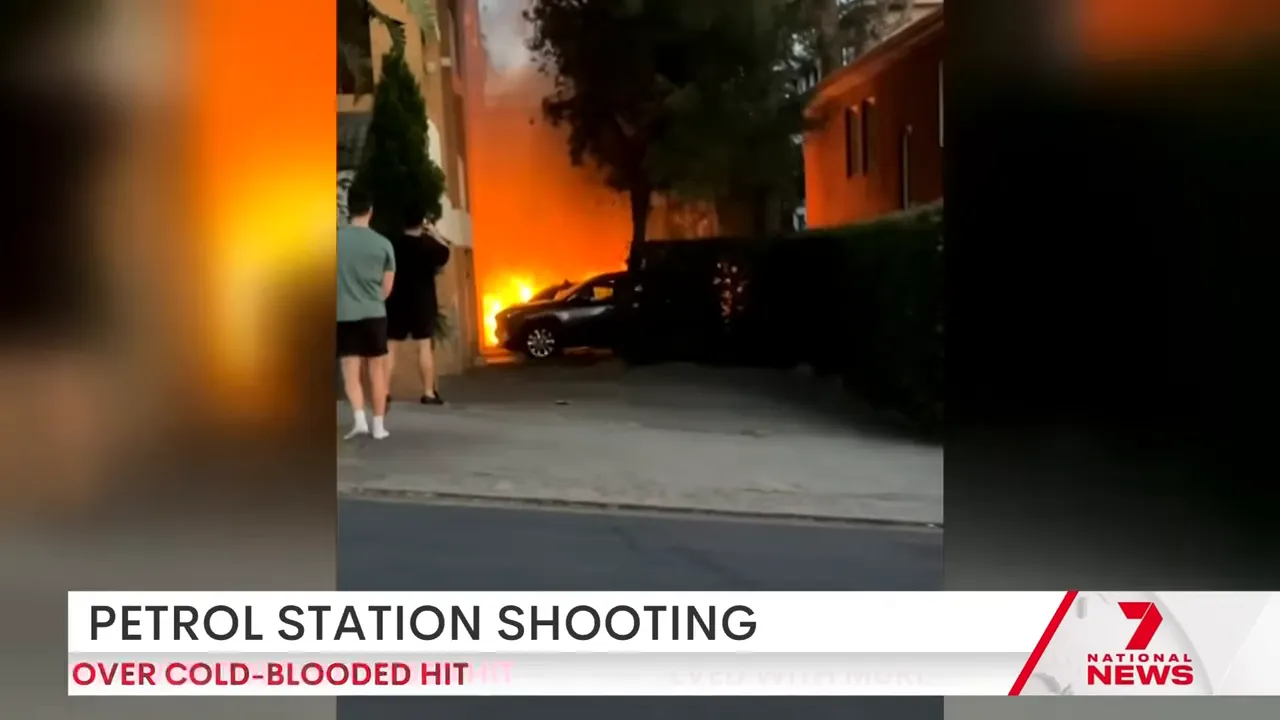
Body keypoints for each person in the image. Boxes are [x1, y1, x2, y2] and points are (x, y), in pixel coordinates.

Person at [337, 185, 395, 439]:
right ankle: (379, 426)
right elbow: (387, 288)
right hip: (374, 314)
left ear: (349, 210)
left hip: (344, 314)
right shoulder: (383, 244)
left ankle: (359, 420)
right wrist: (373, 299)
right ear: (370, 211)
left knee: (350, 369)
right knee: (377, 369)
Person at [385, 210, 451, 405]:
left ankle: (384, 391)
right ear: (421, 223)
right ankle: (429, 393)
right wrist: (433, 232)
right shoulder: (429, 246)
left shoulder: (393, 245)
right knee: (424, 346)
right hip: (423, 303)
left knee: (391, 346)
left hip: (396, 302)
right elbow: (446, 250)